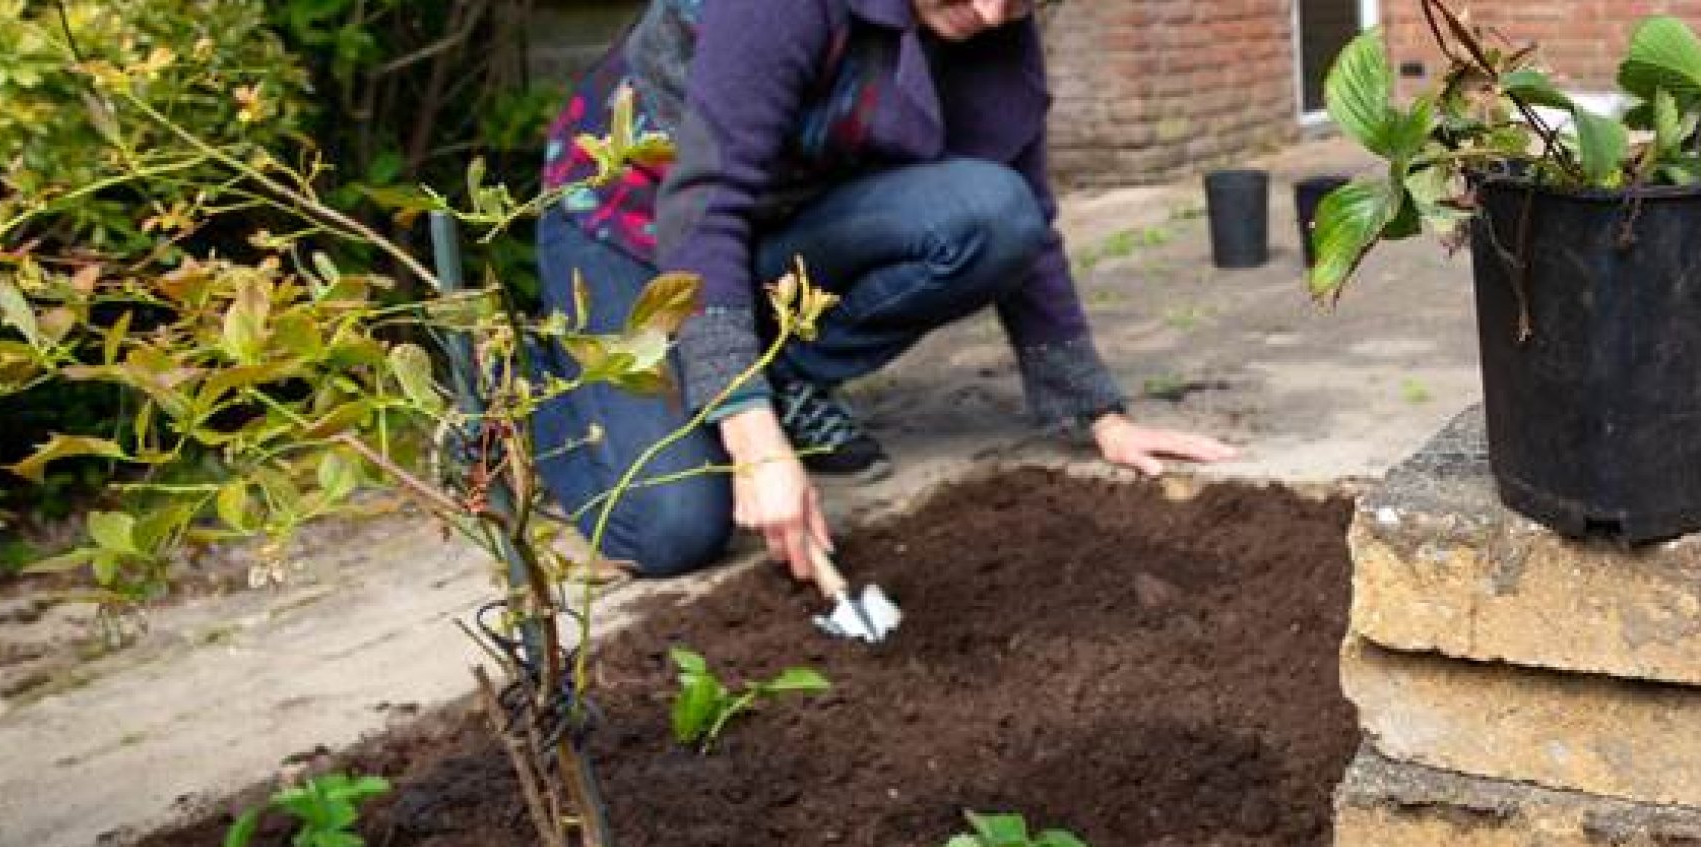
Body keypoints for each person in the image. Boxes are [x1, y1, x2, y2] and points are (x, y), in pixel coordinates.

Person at [530, 0, 1238, 580]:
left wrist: (1100, 414)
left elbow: (1028, 220)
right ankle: (530, 390)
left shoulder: (992, 30)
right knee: (672, 529)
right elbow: (706, 206)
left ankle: (760, 372)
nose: (991, 13)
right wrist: (753, 439)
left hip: (780, 224)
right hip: (631, 224)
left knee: (992, 214)